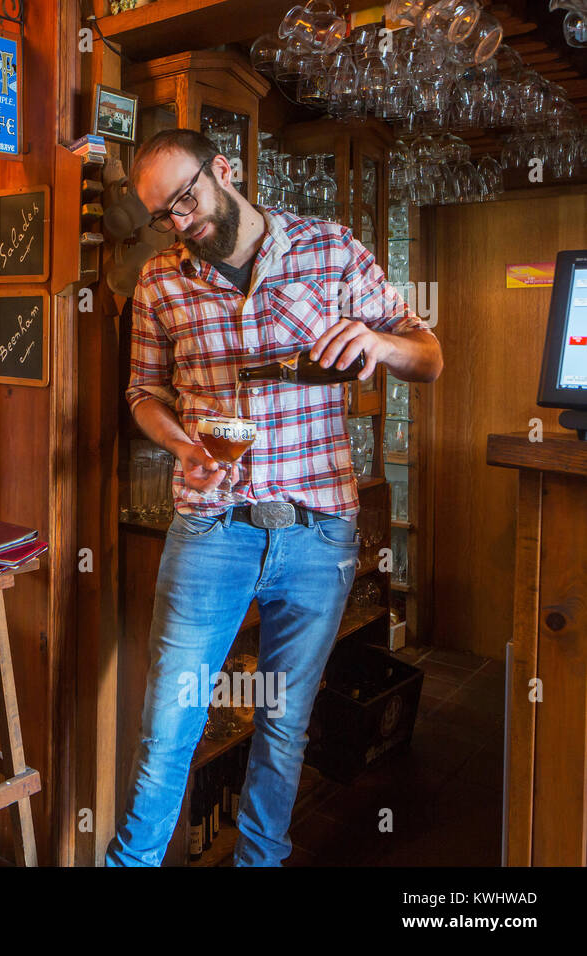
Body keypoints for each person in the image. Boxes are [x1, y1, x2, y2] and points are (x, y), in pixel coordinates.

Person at [106, 129, 443, 867]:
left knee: (284, 720)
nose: (180, 221)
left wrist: (377, 343)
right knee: (170, 722)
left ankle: (260, 862)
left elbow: (429, 354)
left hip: (318, 530)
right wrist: (183, 445)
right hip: (211, 528)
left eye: (186, 199)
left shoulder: (331, 249)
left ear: (223, 170)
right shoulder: (162, 281)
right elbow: (141, 394)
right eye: (163, 214)